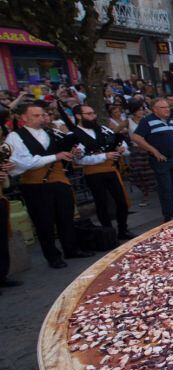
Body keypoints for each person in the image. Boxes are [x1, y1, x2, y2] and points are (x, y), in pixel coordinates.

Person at [4, 101, 92, 268]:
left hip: (59, 180)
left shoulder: (50, 132)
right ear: (23, 117)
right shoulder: (15, 137)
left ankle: (71, 249)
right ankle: (52, 256)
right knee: (44, 222)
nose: (41, 119)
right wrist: (55, 157)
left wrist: (73, 152)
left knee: (66, 217)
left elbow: (64, 152)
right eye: (36, 116)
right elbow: (24, 163)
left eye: (42, 115)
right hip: (35, 184)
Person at [72, 104, 133, 239]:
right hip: (93, 172)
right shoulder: (74, 135)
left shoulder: (102, 129)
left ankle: (123, 229)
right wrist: (103, 156)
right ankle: (109, 233)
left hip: (111, 169)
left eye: (93, 113)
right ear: (78, 116)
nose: (93, 116)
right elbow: (79, 160)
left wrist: (121, 148)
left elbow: (119, 140)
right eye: (88, 114)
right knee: (102, 203)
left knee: (121, 202)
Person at [131, 98, 173, 222]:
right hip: (161, 160)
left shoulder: (169, 121)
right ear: (154, 109)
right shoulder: (147, 121)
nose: (167, 110)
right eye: (163, 107)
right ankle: (169, 216)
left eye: (168, 107)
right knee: (166, 188)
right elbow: (136, 137)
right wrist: (154, 151)